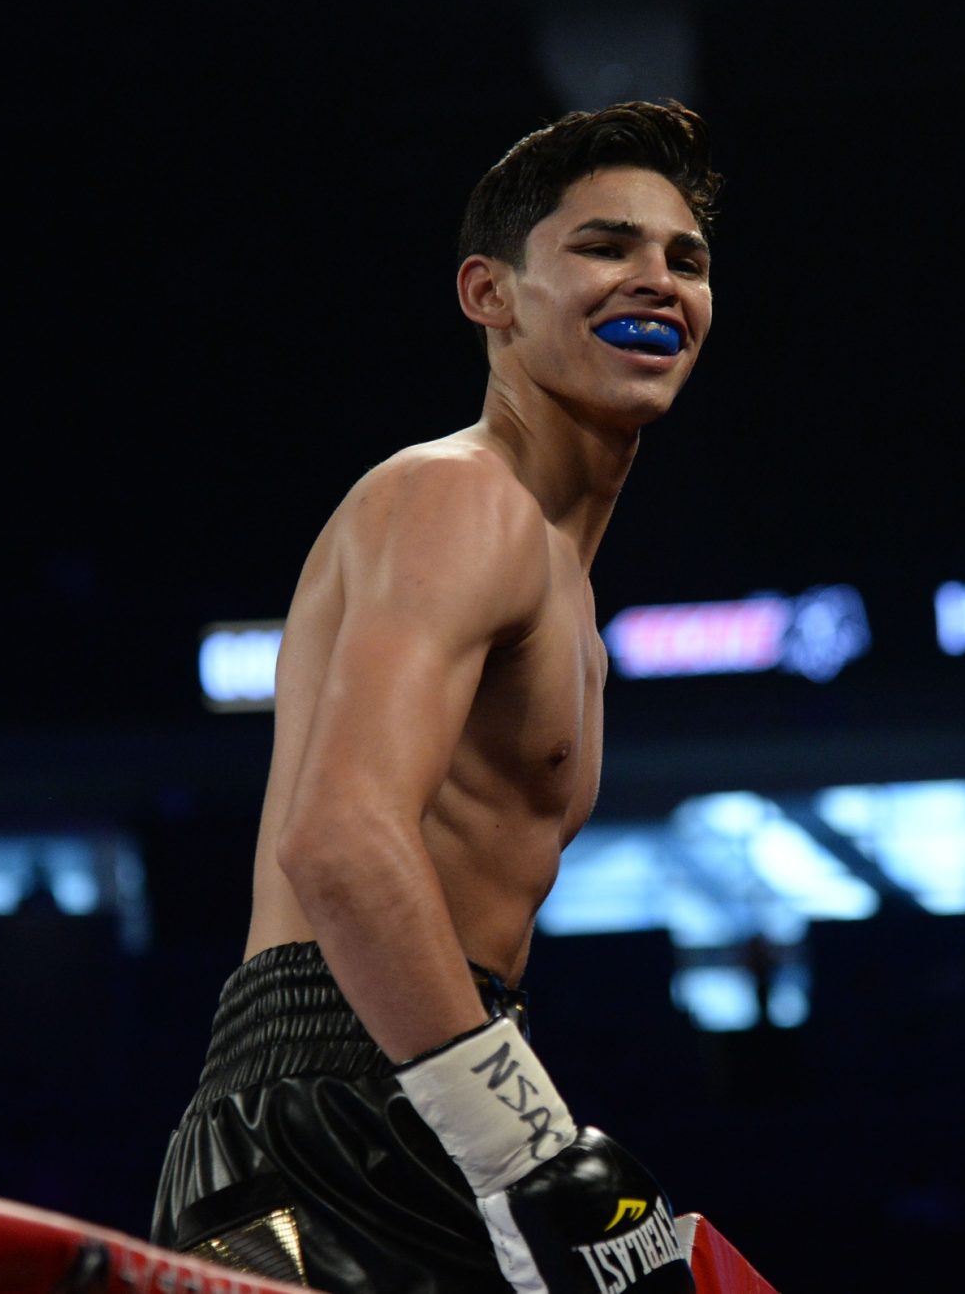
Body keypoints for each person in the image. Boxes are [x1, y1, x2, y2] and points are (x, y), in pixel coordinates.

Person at [150, 100, 718, 1294]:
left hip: (432, 1078)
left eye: (685, 258)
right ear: (487, 293)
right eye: (605, 246)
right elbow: (340, 839)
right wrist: (525, 1141)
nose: (657, 280)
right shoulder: (458, 497)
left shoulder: (566, 594)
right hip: (335, 1107)